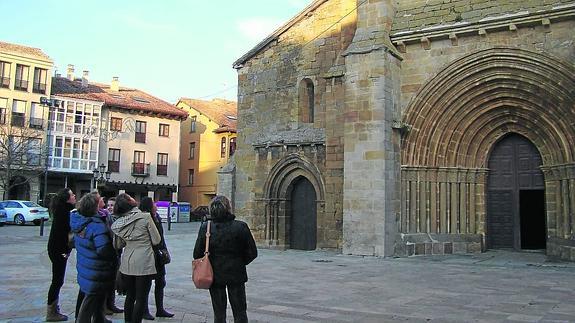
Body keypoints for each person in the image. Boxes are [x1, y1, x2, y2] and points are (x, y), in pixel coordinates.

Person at [193, 195, 258, 323]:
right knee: (240, 313)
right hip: (236, 274)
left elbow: (197, 253)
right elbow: (252, 252)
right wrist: (239, 262)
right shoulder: (240, 227)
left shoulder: (206, 228)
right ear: (228, 208)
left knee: (219, 314)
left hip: (214, 275)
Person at [111, 193, 161, 323]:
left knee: (130, 296)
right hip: (144, 261)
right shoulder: (145, 217)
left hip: (127, 261)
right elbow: (156, 240)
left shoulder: (119, 222)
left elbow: (118, 244)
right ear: (130, 202)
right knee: (141, 297)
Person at [70, 192, 117, 323]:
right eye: (99, 200)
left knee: (98, 296)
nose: (102, 200)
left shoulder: (80, 220)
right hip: (97, 268)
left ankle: (99, 318)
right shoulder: (96, 225)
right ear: (95, 206)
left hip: (87, 265)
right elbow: (103, 249)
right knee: (91, 299)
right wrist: (113, 256)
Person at [139, 197, 174, 319]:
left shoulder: (157, 217)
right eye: (153, 203)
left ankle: (160, 309)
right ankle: (144, 310)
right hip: (149, 255)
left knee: (161, 282)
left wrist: (164, 250)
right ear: (149, 206)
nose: (156, 204)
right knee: (146, 284)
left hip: (159, 255)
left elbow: (161, 237)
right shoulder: (144, 219)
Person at [46, 187, 76, 321]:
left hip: (55, 249)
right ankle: (51, 312)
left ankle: (52, 309)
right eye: (72, 195)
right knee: (57, 280)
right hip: (60, 251)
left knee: (57, 280)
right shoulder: (67, 211)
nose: (74, 196)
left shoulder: (61, 209)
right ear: (67, 198)